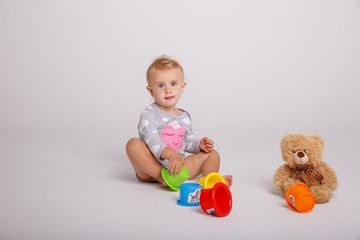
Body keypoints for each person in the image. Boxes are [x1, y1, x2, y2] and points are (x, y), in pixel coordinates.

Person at [126, 55, 232, 187]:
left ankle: (209, 181)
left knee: (212, 154)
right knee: (133, 145)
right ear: (151, 90)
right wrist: (171, 155)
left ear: (183, 87)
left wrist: (199, 144)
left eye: (173, 84)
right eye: (160, 85)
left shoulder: (184, 116)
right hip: (150, 169)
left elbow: (187, 141)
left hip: (178, 169)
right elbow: (152, 140)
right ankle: (162, 177)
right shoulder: (149, 114)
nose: (168, 90)